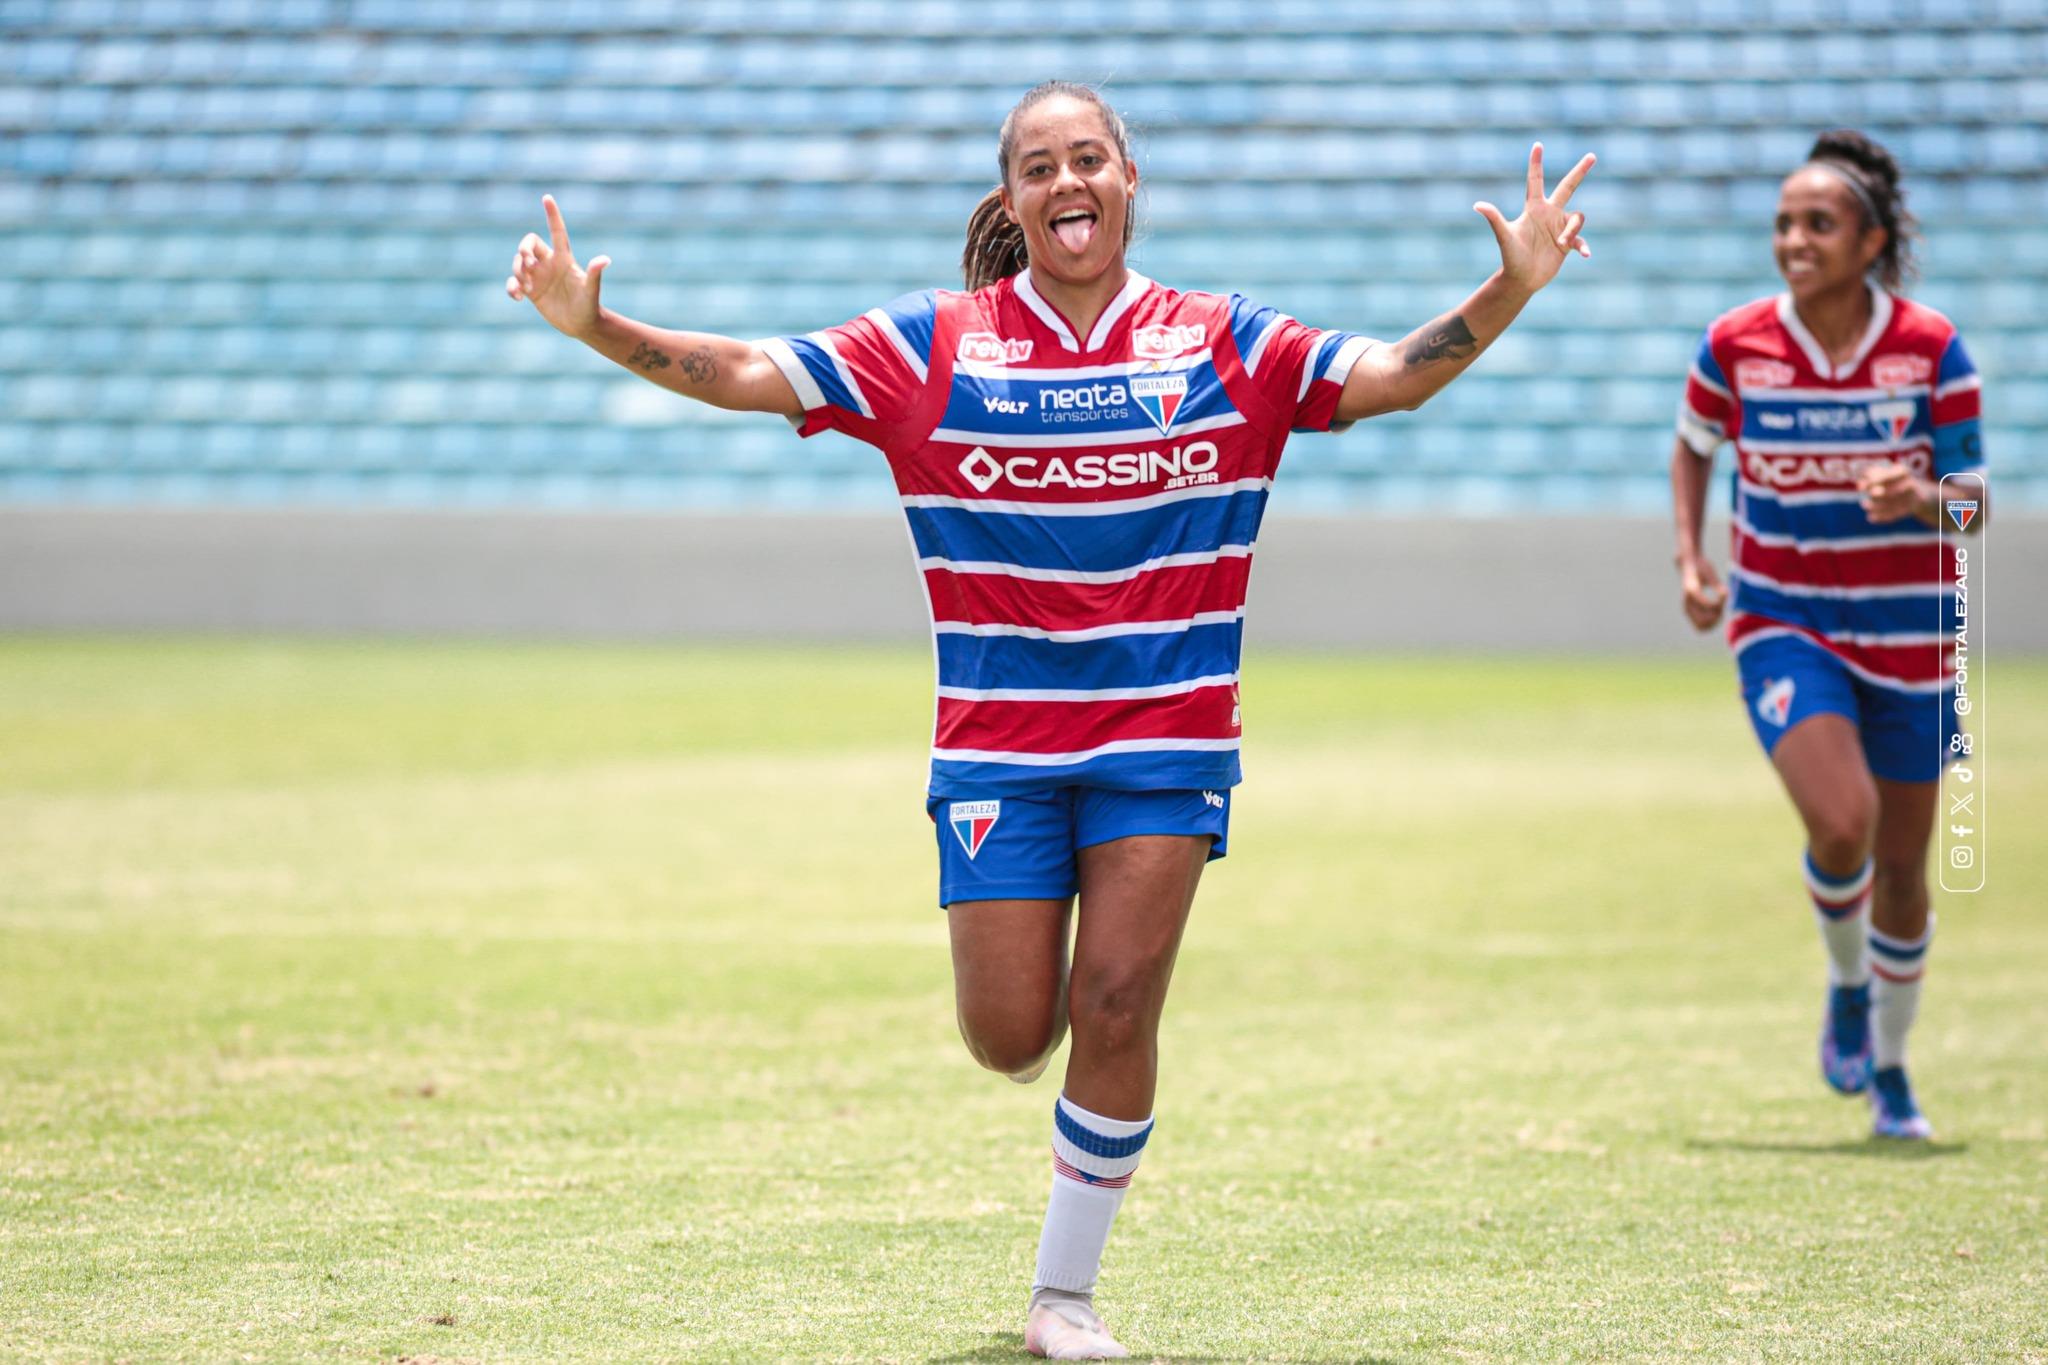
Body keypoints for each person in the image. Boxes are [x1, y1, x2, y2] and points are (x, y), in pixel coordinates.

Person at [509, 81, 1593, 1358]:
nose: (1066, 183)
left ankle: (1060, 1300)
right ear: (1011, 198)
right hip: (998, 752)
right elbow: (751, 371)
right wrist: (596, 327)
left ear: (1130, 177)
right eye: (1038, 167)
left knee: (1120, 1001)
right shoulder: (931, 346)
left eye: (1089, 158)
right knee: (1009, 1033)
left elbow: (1385, 378)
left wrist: (1507, 292)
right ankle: (1049, 1110)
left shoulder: (1225, 339)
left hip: (1163, 743)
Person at [1669, 129, 1985, 1143]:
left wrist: (1921, 500)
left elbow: (1977, 511)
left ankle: (1889, 1071)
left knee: (1901, 869)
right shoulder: (1734, 343)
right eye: (1781, 223)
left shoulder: (1930, 349)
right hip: (1781, 619)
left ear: (1869, 241)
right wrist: (1691, 557)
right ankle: (1846, 982)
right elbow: (1691, 447)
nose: (1792, 241)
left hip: (1914, 642)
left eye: (1817, 224)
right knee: (1839, 823)